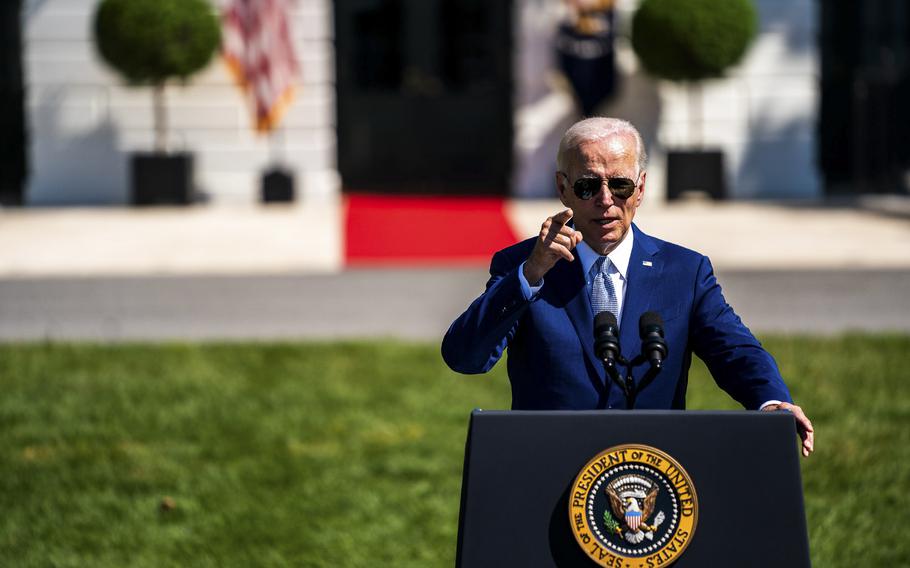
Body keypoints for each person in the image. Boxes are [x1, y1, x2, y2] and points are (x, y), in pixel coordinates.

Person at [441, 117, 814, 457]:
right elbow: (465, 356)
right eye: (588, 185)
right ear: (562, 188)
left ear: (640, 189)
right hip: (549, 467)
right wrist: (531, 275)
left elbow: (735, 350)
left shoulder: (684, 271)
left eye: (619, 185)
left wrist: (771, 402)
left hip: (652, 475)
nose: (606, 200)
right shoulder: (523, 265)